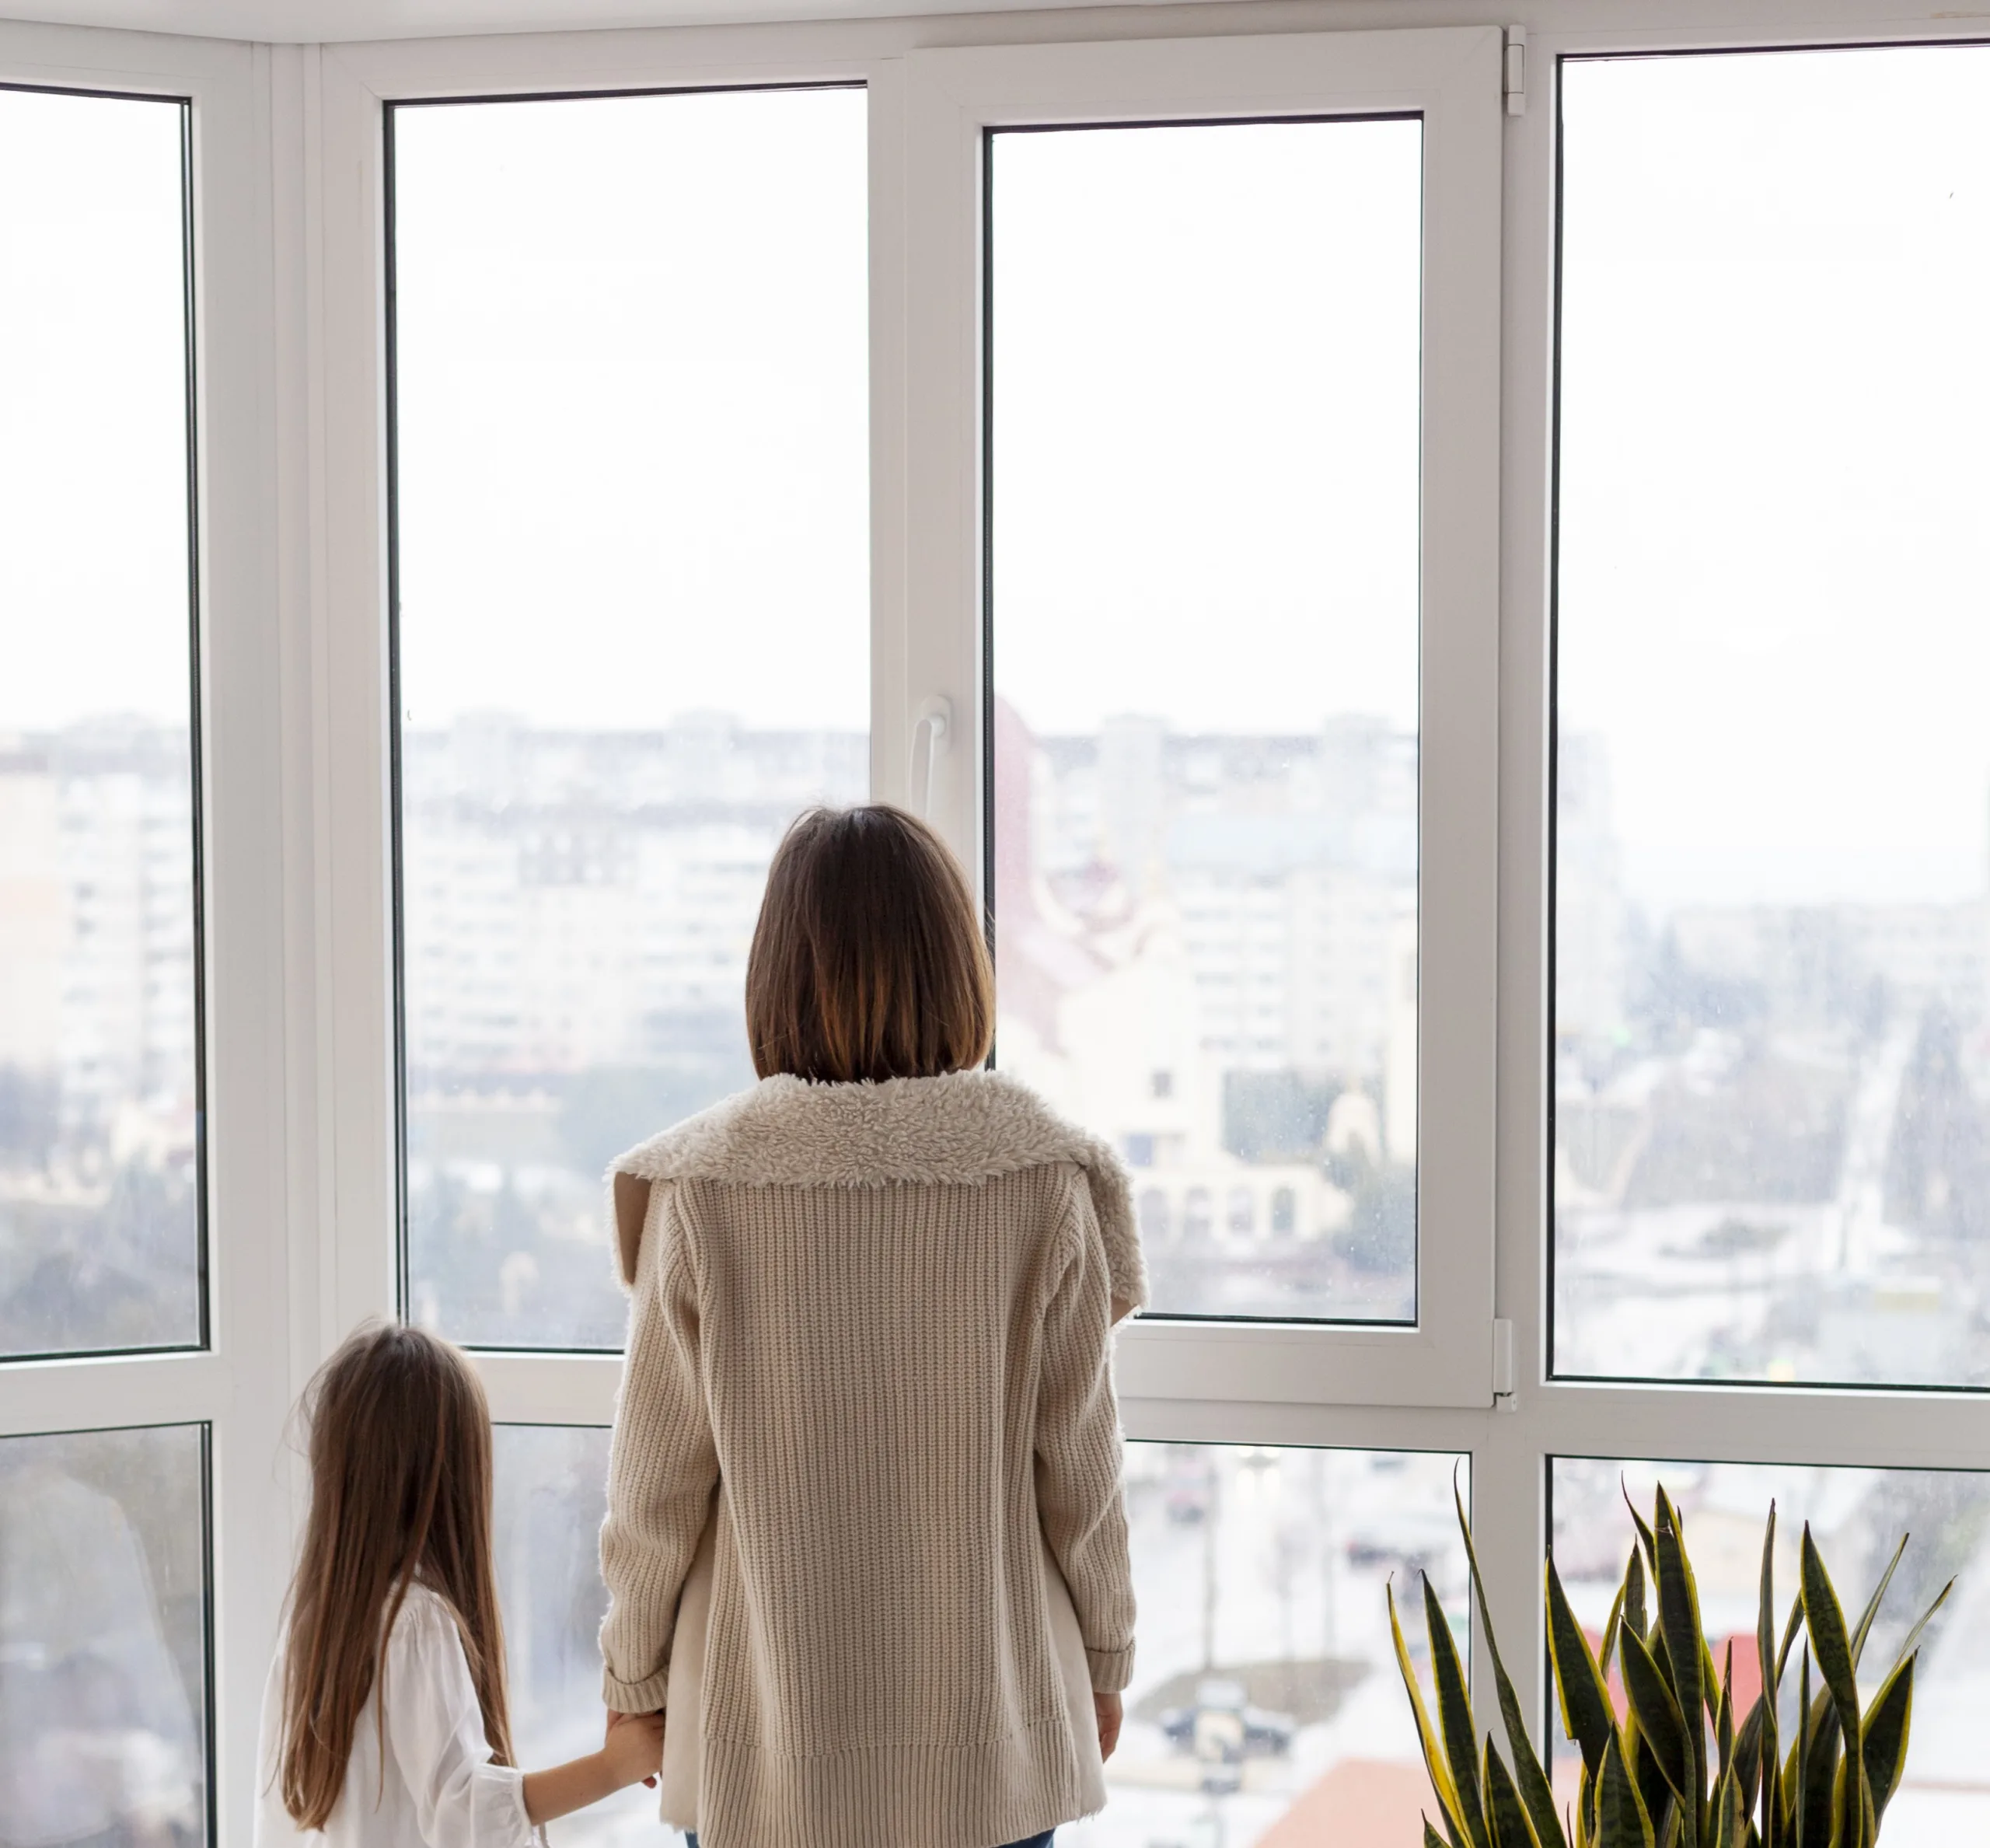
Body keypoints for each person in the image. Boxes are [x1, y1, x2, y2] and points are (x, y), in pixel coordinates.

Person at [599, 805, 1145, 1848]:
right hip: (993, 1758)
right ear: (959, 969)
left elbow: (653, 1492)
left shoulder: (702, 1192)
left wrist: (635, 1676)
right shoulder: (1040, 1180)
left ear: (772, 977)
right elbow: (1083, 1476)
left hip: (764, 1760)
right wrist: (1108, 1658)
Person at [255, 1322, 664, 1846]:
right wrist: (613, 1766)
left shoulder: (314, 1624)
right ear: (451, 1476)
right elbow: (465, 1811)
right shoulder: (412, 1622)